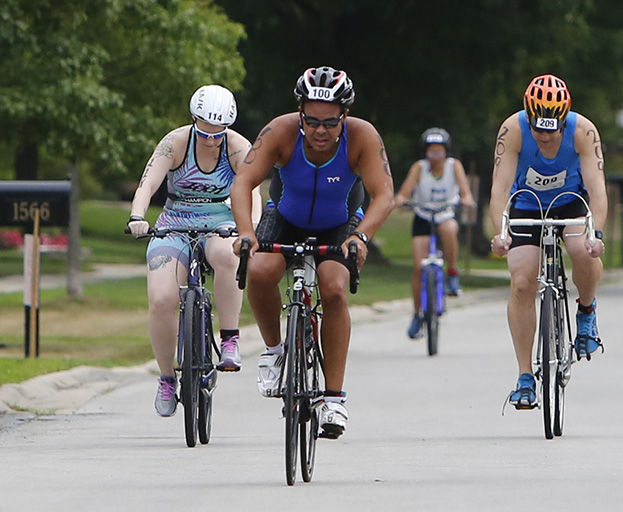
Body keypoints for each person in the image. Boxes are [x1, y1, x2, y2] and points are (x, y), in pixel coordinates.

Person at [230, 66, 395, 438]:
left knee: (334, 287)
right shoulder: (281, 131)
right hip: (285, 216)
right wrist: (245, 232)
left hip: (339, 222)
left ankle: (333, 399)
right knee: (258, 270)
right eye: (312, 121)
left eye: (330, 122)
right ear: (300, 113)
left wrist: (362, 237)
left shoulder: (363, 136)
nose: (320, 131)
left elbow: (384, 195)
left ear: (345, 116)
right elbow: (243, 182)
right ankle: (274, 350)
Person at [127, 85, 262, 417]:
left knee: (229, 256)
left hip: (220, 219)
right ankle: (167, 377)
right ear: (193, 120)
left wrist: (249, 230)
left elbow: (251, 189)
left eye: (219, 134)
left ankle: (229, 338)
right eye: (204, 132)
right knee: (161, 299)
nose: (211, 140)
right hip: (175, 219)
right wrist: (137, 217)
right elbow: (148, 182)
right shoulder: (175, 142)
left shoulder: (238, 147)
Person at [489, 74, 607, 410]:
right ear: (528, 118)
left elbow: (597, 188)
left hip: (570, 203)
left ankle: (586, 309)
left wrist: (596, 233)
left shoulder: (583, 131)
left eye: (551, 129)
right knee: (523, 282)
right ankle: (526, 375)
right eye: (537, 129)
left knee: (582, 251)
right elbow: (499, 188)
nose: (543, 136)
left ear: (563, 120)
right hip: (526, 205)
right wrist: (500, 232)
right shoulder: (512, 130)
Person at [395, 127, 476, 339]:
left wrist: (466, 199)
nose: (435, 157)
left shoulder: (453, 166)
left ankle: (452, 272)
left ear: (446, 152)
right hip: (423, 215)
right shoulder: (419, 168)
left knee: (449, 228)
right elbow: (404, 192)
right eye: (431, 152)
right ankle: (417, 313)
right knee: (418, 266)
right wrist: (401, 200)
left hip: (445, 212)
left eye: (439, 152)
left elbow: (465, 191)